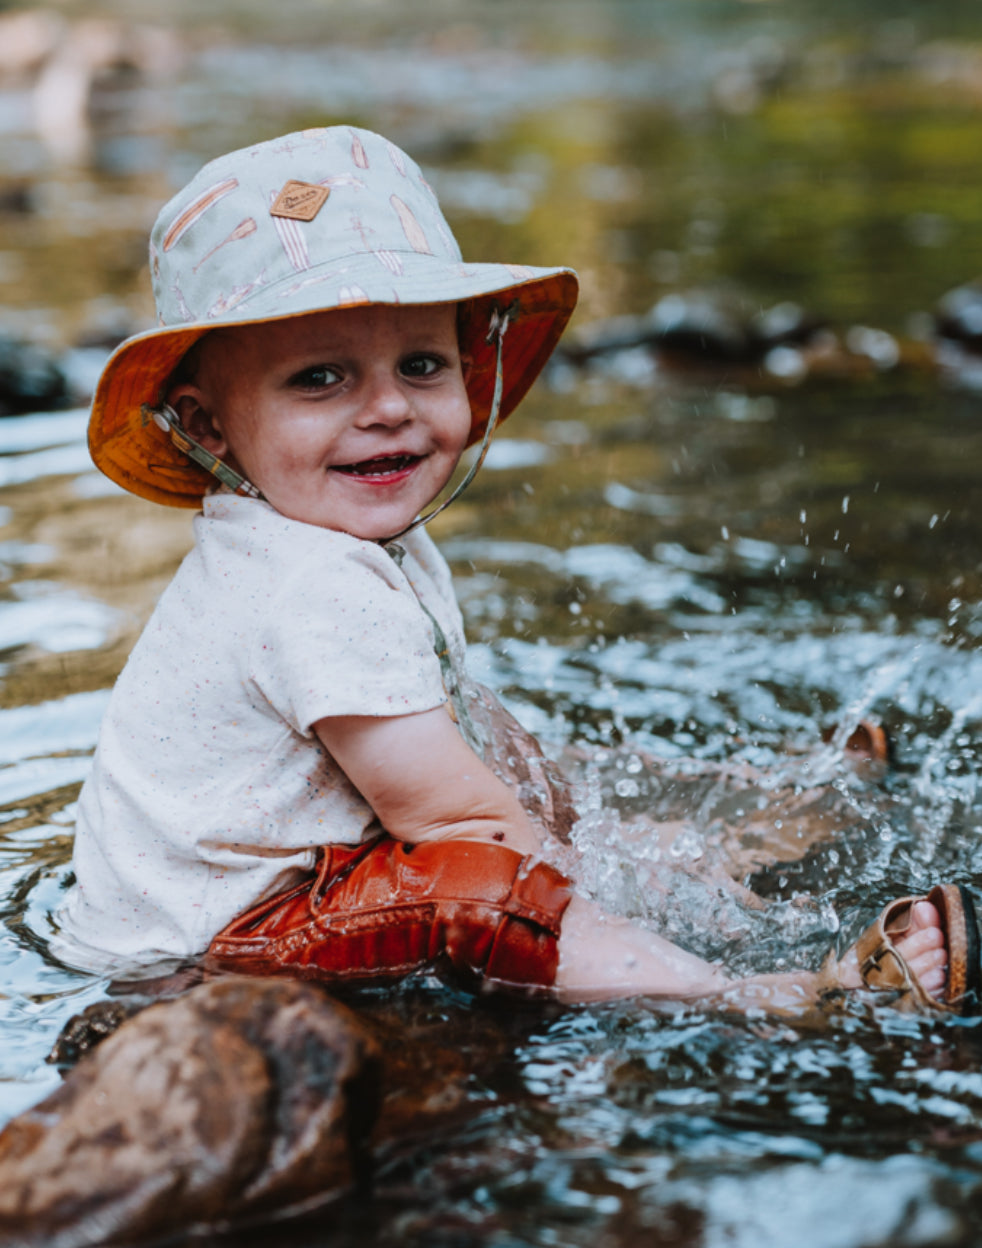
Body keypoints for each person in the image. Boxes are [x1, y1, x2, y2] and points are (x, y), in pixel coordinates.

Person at [51, 125, 974, 1018]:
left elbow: (466, 732)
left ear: (466, 367)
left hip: (293, 881)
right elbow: (465, 823)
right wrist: (609, 900)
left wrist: (584, 818)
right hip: (213, 944)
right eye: (319, 380)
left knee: (521, 755)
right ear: (207, 424)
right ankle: (759, 994)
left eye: (420, 365)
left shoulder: (339, 534)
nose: (388, 412)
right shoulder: (305, 586)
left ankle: (748, 822)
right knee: (486, 883)